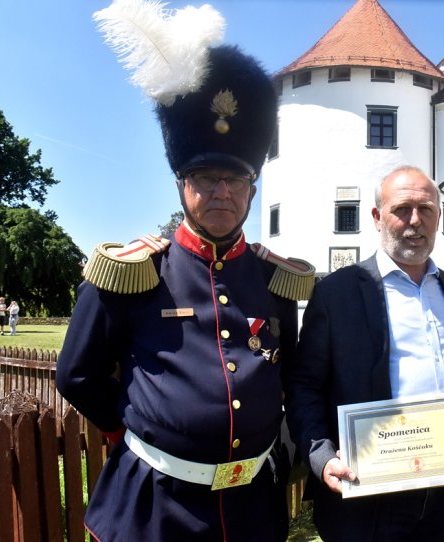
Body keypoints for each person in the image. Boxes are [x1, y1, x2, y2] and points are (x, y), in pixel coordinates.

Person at [56, 2, 314, 541]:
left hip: (252, 510)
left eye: (236, 179)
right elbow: (76, 375)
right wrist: (138, 431)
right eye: (205, 176)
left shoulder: (275, 282)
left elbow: (290, 372)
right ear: (180, 184)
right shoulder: (133, 272)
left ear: (252, 189)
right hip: (155, 508)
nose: (221, 191)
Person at [285, 165, 444, 542]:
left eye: (426, 210)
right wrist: (321, 455)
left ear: (438, 217)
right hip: (365, 489)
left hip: (439, 482)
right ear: (376, 216)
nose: (415, 222)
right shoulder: (336, 293)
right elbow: (305, 384)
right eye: (402, 209)